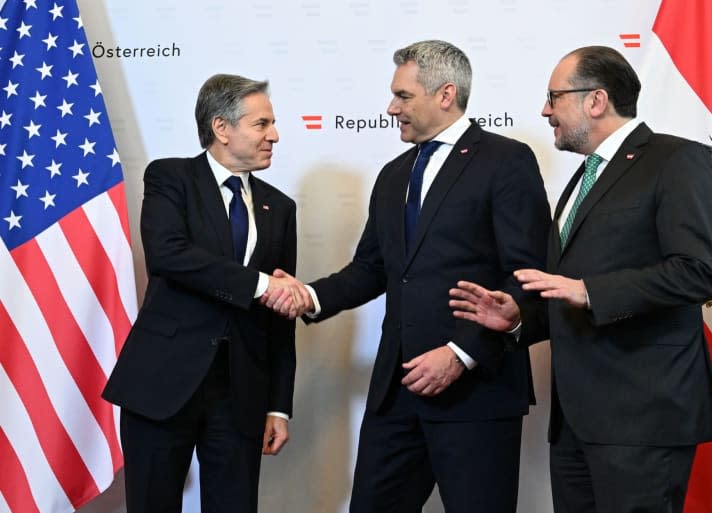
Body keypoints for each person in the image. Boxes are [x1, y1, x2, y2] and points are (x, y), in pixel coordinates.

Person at [264, 40, 550, 512]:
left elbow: (527, 278)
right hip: (396, 394)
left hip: (476, 394)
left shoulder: (506, 161)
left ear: (445, 94)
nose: (391, 107)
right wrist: (308, 297)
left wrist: (461, 355)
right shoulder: (394, 174)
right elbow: (371, 269)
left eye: (402, 95)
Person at [449, 46, 712, 513]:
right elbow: (569, 299)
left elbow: (697, 273)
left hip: (642, 418)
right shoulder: (582, 179)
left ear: (596, 100)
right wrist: (518, 321)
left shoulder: (677, 160)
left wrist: (588, 290)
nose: (545, 110)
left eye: (554, 97)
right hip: (576, 423)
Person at [102, 74, 299, 513]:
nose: (275, 135)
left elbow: (279, 319)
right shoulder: (170, 177)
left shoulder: (280, 208)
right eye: (262, 124)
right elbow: (169, 256)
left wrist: (279, 406)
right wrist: (262, 284)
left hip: (241, 394)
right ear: (222, 128)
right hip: (162, 385)